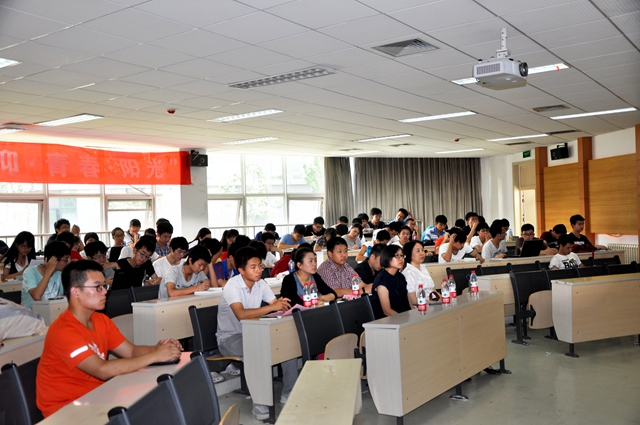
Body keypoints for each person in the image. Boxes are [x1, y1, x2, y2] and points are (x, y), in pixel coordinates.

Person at [36, 260, 183, 417]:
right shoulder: (63, 331)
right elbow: (102, 370)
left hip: (96, 396)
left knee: (156, 404)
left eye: (104, 286)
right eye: (98, 287)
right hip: (65, 410)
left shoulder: (101, 320)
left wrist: (159, 348)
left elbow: (131, 351)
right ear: (76, 292)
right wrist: (155, 356)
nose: (105, 292)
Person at [215, 247, 296, 420]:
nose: (259, 270)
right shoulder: (232, 286)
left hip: (254, 333)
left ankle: (289, 393)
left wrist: (282, 305)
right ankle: (260, 404)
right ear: (241, 270)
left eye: (260, 265)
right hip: (229, 339)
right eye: (253, 267)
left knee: (286, 346)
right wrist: (272, 307)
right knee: (256, 352)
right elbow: (241, 314)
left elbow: (275, 303)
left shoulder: (260, 284)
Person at [21, 241, 70, 309]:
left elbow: (63, 298)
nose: (67, 262)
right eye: (66, 259)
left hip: (52, 312)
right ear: (54, 260)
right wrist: (49, 271)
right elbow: (37, 296)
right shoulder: (30, 272)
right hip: (31, 313)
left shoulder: (60, 273)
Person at [371, 245, 411, 319]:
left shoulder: (400, 276)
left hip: (403, 317)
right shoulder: (382, 280)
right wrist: (404, 320)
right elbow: (387, 311)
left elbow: (406, 302)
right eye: (397, 256)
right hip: (388, 321)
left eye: (402, 255)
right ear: (387, 257)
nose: (401, 259)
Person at [402, 240, 437, 306]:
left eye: (422, 250)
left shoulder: (423, 268)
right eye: (417, 251)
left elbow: (432, 289)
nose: (422, 253)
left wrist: (441, 298)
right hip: (421, 307)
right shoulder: (408, 273)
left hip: (433, 302)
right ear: (409, 253)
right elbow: (413, 300)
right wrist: (433, 303)